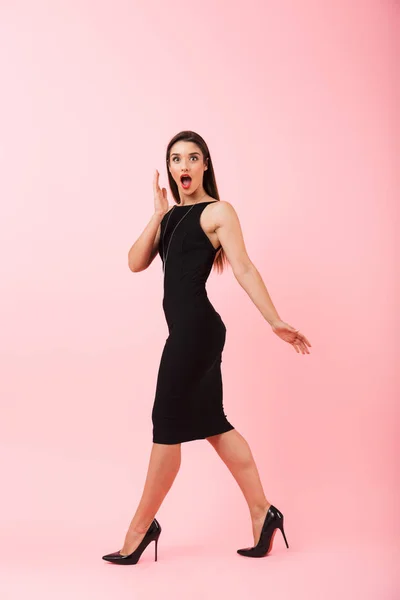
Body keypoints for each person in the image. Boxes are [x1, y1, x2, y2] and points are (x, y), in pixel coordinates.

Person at [102, 130, 311, 565]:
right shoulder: (170, 217)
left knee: (166, 424)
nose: (183, 167)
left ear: (205, 166)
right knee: (214, 425)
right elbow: (135, 262)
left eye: (192, 158)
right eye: (176, 159)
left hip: (196, 331)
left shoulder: (218, 211)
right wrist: (157, 214)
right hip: (190, 331)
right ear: (172, 169)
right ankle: (263, 512)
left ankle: (140, 529)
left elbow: (245, 268)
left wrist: (274, 321)